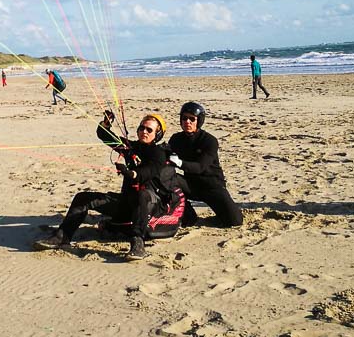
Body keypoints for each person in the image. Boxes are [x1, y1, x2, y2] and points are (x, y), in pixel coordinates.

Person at [34, 112, 182, 261]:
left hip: (149, 207)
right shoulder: (130, 147)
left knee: (141, 195)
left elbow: (149, 171)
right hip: (126, 204)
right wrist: (106, 124)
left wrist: (131, 173)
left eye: (149, 130)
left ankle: (138, 243)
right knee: (82, 198)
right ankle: (62, 236)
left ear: (157, 134)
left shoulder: (158, 153)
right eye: (142, 128)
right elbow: (106, 136)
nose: (144, 131)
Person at [168, 102, 243, 227]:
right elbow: (162, 155)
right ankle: (189, 216)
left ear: (199, 121)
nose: (187, 122)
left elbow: (200, 167)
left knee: (234, 221)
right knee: (168, 179)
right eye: (184, 118)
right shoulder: (176, 139)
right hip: (191, 185)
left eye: (192, 119)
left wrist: (179, 163)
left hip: (211, 186)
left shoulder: (209, 141)